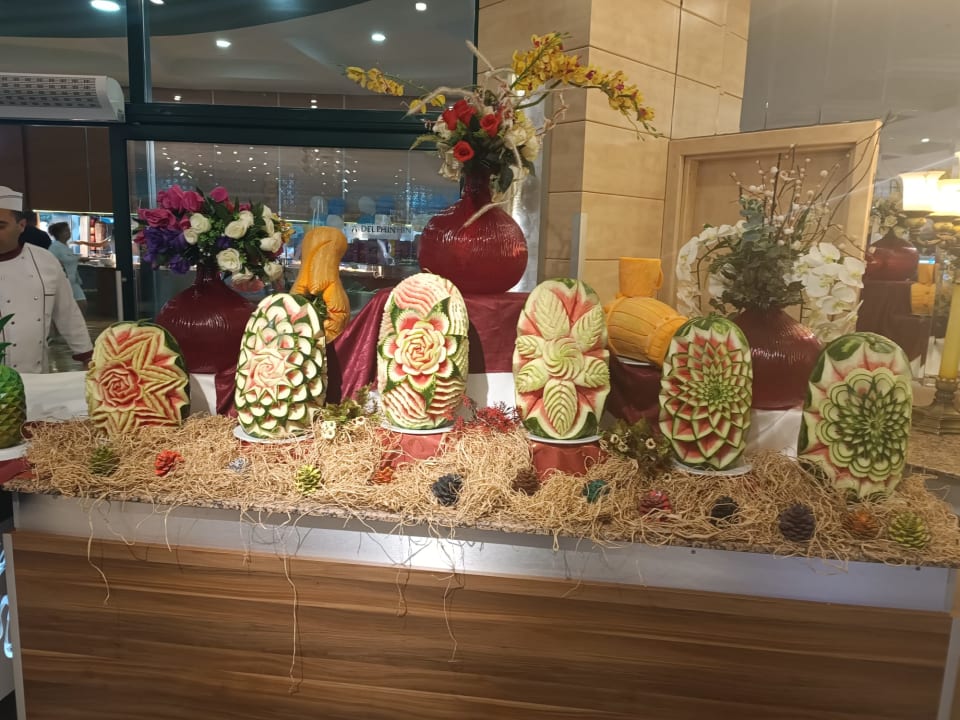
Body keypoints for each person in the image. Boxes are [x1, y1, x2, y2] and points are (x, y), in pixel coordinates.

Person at [0, 187, 92, 373]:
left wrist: (87, 356)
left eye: (0, 226)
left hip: (37, 375)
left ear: (21, 225)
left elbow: (67, 312)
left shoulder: (44, 260)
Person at [46, 222, 87, 314]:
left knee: (82, 303)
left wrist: (79, 259)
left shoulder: (65, 246)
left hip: (73, 281)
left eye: (69, 230)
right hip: (63, 281)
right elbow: (51, 261)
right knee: (77, 305)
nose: (69, 233)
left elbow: (68, 258)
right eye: (66, 231)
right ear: (59, 233)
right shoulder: (55, 247)